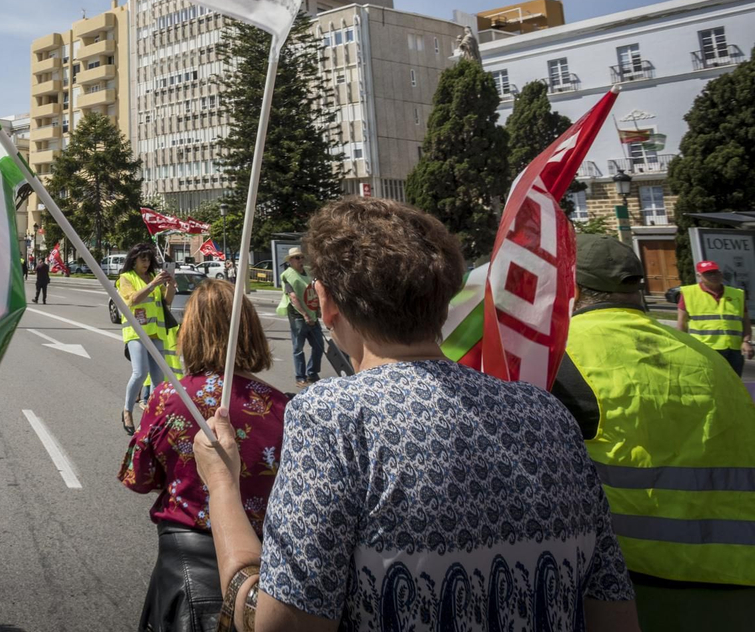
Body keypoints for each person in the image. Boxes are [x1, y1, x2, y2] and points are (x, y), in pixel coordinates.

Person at [190, 198, 639, 631]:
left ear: (324, 302)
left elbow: (283, 625)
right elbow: (612, 609)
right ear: (443, 298)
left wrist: (223, 486)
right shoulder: (547, 415)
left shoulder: (332, 415)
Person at [550, 235, 755, 627]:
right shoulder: (708, 359)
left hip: (631, 586)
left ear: (571, 288)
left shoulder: (563, 355)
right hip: (737, 580)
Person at [120, 280, 289, 632]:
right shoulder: (282, 406)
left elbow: (139, 476)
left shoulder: (169, 397)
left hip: (187, 562)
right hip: (265, 568)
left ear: (190, 333)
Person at [117, 243, 179, 434]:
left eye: (148, 259)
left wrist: (170, 284)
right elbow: (134, 299)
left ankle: (153, 416)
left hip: (156, 332)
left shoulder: (153, 277)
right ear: (133, 260)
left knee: (158, 378)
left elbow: (167, 302)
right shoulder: (126, 278)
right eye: (142, 259)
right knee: (140, 373)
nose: (146, 262)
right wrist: (153, 284)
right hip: (136, 332)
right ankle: (127, 410)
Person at [675, 259, 751, 375]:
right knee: (710, 384)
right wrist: (682, 345)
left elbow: (745, 321)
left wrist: (746, 341)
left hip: (734, 350)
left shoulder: (737, 294)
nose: (713, 276)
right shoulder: (689, 293)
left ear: (720, 273)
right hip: (704, 348)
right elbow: (682, 323)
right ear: (699, 275)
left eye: (715, 272)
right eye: (708, 274)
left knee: (734, 385)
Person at [273, 247, 321, 387]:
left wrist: (316, 309)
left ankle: (312, 373)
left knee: (318, 346)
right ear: (291, 261)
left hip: (312, 314)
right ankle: (300, 377)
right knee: (298, 348)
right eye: (297, 258)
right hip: (298, 316)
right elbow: (293, 297)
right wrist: (305, 315)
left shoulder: (308, 273)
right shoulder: (288, 275)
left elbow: (314, 291)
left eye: (301, 257)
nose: (300, 260)